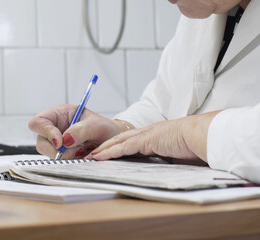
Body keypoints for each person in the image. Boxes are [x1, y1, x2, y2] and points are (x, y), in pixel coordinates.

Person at [28, 0, 260, 184]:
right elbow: (164, 103)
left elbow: (179, 129)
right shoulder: (203, 12)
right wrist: (119, 132)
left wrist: (189, 133)